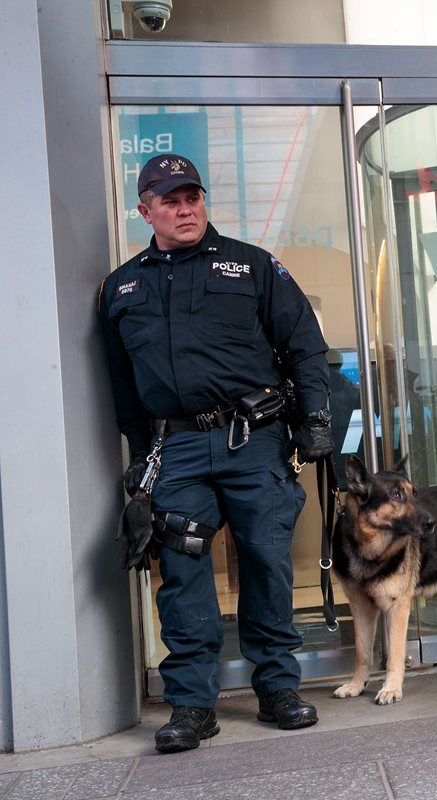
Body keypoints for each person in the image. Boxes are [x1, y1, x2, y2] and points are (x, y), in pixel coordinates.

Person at [99, 154, 334, 753]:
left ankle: (278, 689)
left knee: (266, 561)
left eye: (193, 198)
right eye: (171, 201)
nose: (186, 210)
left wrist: (315, 420)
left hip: (252, 439)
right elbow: (123, 384)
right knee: (181, 574)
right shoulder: (122, 287)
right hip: (174, 449)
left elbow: (304, 345)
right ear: (145, 210)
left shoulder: (251, 266)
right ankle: (192, 705)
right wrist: (139, 453)